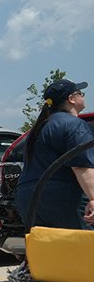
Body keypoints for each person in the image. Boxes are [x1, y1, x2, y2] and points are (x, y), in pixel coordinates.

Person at [16, 78, 94, 229]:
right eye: (80, 93)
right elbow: (81, 165)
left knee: (46, 243)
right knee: (79, 243)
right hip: (63, 197)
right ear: (71, 99)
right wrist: (93, 198)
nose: (83, 96)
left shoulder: (38, 129)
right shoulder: (74, 125)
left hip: (28, 197)